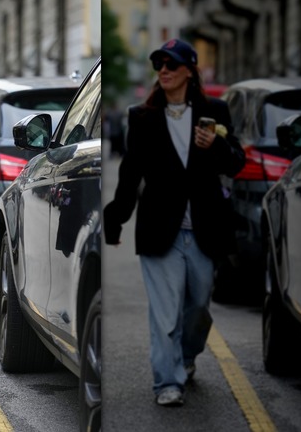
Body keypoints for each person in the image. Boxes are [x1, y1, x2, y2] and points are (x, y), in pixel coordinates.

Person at [103, 39, 245, 407]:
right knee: (164, 315)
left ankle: (186, 356)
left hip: (204, 230)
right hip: (159, 230)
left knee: (198, 307)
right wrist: (115, 221)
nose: (163, 70)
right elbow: (130, 173)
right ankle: (167, 382)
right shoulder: (143, 116)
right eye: (158, 64)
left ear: (189, 70)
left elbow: (235, 164)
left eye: (171, 64)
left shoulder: (214, 111)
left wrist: (215, 145)